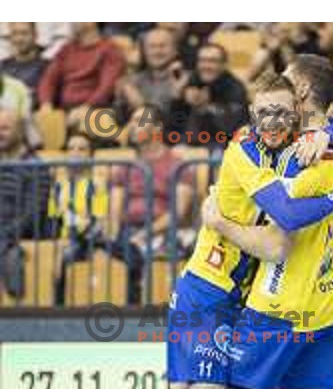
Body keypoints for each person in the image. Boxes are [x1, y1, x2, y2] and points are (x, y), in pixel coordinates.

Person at [156, 69, 333, 389]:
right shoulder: (244, 150)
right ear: (252, 113)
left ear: (297, 108)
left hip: (241, 295)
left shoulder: (296, 145)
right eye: (264, 112)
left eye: (283, 111)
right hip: (207, 289)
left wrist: (327, 132)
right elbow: (282, 226)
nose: (273, 121)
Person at [110, 111, 195, 301]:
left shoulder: (178, 165)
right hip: (129, 231)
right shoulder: (125, 167)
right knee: (116, 246)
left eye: (139, 121)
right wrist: (117, 232)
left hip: (164, 230)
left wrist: (147, 232)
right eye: (131, 121)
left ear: (157, 127)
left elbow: (178, 213)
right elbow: (115, 212)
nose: (132, 126)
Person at [47, 132, 109, 304]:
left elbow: (99, 222)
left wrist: (72, 240)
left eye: (82, 149)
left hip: (88, 240)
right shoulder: (59, 185)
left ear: (91, 155)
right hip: (62, 241)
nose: (75, 152)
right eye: (71, 148)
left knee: (65, 255)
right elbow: (53, 220)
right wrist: (55, 242)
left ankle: (60, 310)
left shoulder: (97, 184)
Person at [0, 109, 51, 299]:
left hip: (16, 232)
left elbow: (33, 212)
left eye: (5, 128)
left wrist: (6, 232)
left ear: (20, 132)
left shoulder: (35, 167)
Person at [38, 22, 126, 127]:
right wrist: (46, 103)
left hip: (97, 110)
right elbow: (48, 79)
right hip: (64, 110)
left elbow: (106, 87)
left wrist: (87, 108)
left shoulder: (109, 49)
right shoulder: (66, 49)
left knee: (79, 135)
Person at [166, 43, 248, 149]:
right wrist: (177, 97)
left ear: (224, 65)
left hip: (222, 148)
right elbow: (171, 129)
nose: (206, 66)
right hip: (186, 146)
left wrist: (204, 108)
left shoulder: (234, 88)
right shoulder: (190, 82)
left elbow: (230, 129)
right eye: (202, 60)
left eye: (212, 61)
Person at [116, 27, 185, 118]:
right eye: (152, 46)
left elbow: (169, 119)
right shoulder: (134, 80)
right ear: (144, 51)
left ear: (175, 50)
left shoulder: (183, 79)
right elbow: (119, 119)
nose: (157, 51)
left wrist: (139, 104)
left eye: (162, 46)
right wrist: (121, 100)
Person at [1, 23, 47, 103]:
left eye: (24, 33)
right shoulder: (3, 65)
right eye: (15, 33)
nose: (19, 38)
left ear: (35, 36)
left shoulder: (46, 66)